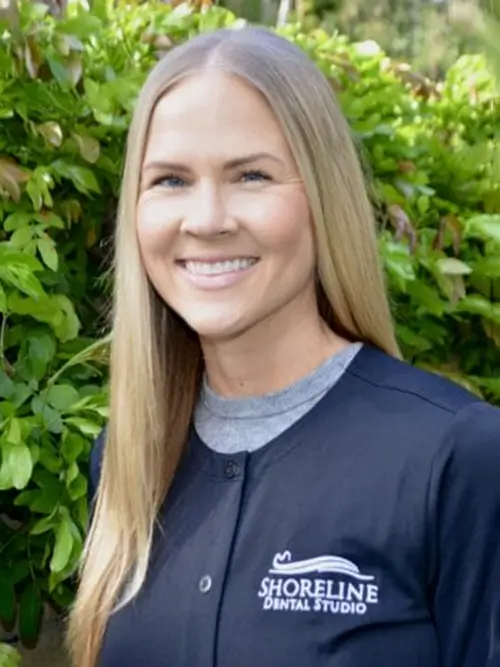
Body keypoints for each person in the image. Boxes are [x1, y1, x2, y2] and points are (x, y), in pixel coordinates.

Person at [67, 25, 500, 667]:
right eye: (170, 180)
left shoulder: (457, 456)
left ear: (322, 198)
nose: (208, 218)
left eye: (250, 175)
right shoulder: (128, 461)